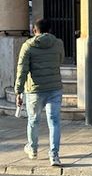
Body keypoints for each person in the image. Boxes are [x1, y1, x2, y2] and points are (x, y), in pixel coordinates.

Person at [14, 18, 65, 167]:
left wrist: (18, 91)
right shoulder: (58, 43)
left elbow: (22, 69)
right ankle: (54, 155)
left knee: (33, 120)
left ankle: (33, 149)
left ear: (34, 31)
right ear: (50, 30)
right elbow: (60, 60)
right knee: (54, 121)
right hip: (55, 87)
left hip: (35, 90)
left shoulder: (27, 46)